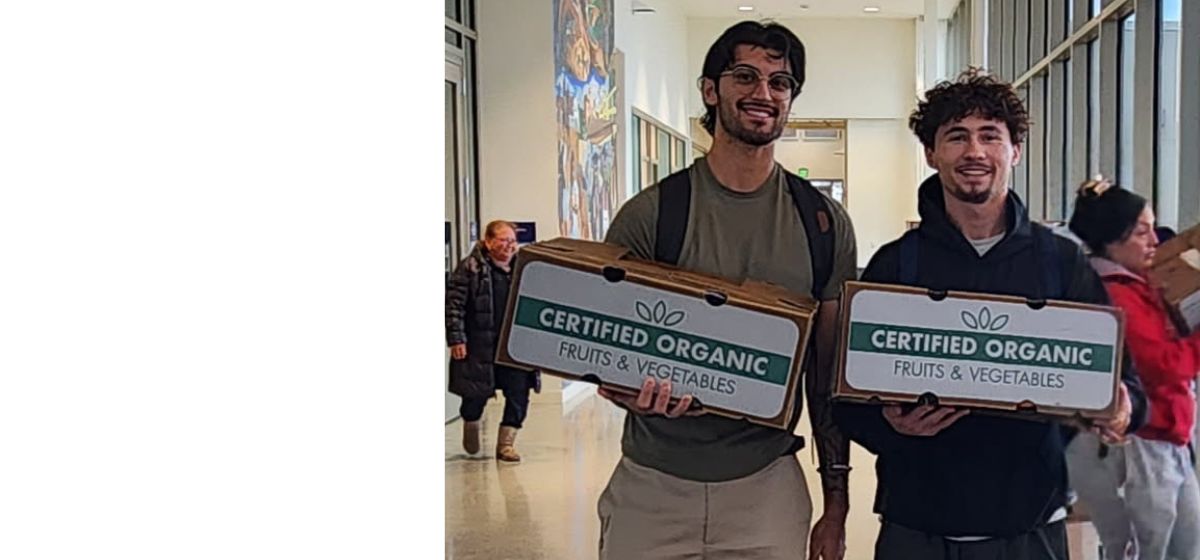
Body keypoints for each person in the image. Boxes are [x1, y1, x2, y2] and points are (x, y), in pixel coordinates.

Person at [832, 70, 1148, 560]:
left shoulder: (1060, 262)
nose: (974, 151)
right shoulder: (895, 266)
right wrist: (890, 426)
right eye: (956, 136)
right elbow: (846, 401)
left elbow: (1125, 384)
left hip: (1030, 529)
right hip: (916, 531)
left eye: (990, 136)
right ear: (931, 153)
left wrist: (1123, 409)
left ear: (1014, 151)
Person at [598, 20, 858, 560]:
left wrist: (836, 503)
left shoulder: (822, 223)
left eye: (780, 82)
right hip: (652, 486)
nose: (764, 93)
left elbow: (826, 377)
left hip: (767, 489)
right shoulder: (652, 214)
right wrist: (627, 389)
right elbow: (606, 348)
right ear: (710, 90)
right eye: (745, 76)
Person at [1066, 178, 1200, 560]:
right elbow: (1163, 367)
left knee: (1186, 544)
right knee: (1142, 546)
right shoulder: (1114, 295)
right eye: (1142, 232)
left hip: (1170, 436)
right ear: (1113, 241)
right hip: (1138, 445)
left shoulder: (1144, 285)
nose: (1155, 241)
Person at [445, 220, 539, 463]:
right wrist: (456, 339)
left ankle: (506, 444)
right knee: (474, 395)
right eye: (503, 240)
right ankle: (471, 422)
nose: (510, 246)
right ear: (488, 242)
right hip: (479, 345)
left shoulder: (525, 268)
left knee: (519, 393)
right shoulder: (470, 268)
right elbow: (453, 306)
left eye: (513, 241)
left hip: (513, 347)